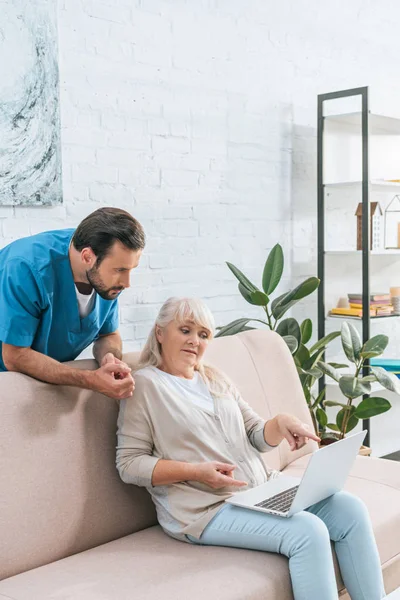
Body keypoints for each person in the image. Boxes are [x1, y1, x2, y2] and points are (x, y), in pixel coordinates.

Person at [116, 297, 385, 600]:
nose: (195, 341)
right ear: (160, 333)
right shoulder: (144, 386)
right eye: (186, 330)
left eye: (203, 335)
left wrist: (280, 423)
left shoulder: (214, 378)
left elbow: (256, 433)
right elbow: (129, 464)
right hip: (205, 509)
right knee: (308, 532)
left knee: (350, 509)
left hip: (259, 491)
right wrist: (196, 472)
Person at [0, 207, 145, 400]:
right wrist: (90, 380)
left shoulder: (105, 276)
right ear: (87, 257)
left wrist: (108, 358)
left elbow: (108, 334)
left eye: (130, 269)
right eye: (120, 270)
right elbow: (14, 356)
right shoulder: (26, 268)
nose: (127, 283)